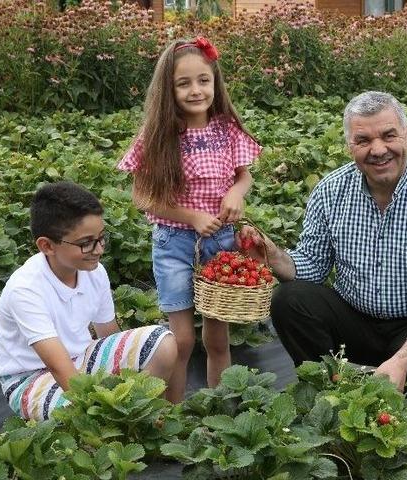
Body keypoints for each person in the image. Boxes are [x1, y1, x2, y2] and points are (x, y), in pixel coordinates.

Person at [239, 91, 407, 391]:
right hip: (353, 320)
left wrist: (401, 361)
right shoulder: (331, 190)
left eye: (389, 135)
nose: (378, 150)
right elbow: (312, 265)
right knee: (289, 300)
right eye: (363, 140)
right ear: (350, 145)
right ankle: (331, 387)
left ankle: (377, 379)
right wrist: (274, 257)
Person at [118, 36, 262, 401]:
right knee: (180, 340)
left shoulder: (226, 128)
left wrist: (235, 193)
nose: (196, 90)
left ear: (215, 82)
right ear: (168, 88)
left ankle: (222, 407)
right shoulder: (160, 135)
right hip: (175, 243)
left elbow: (244, 176)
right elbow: (142, 196)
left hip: (221, 242)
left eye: (203, 80)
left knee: (217, 334)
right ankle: (174, 414)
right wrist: (191, 216)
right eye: (184, 83)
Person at [0, 182, 177, 421]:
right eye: (86, 243)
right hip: (30, 377)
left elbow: (108, 334)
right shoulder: (25, 289)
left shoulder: (94, 272)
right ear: (47, 245)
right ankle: (115, 429)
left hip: (82, 357)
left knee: (163, 343)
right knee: (76, 413)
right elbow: (59, 367)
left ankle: (146, 419)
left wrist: (125, 382)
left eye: (101, 238)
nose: (98, 249)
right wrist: (108, 406)